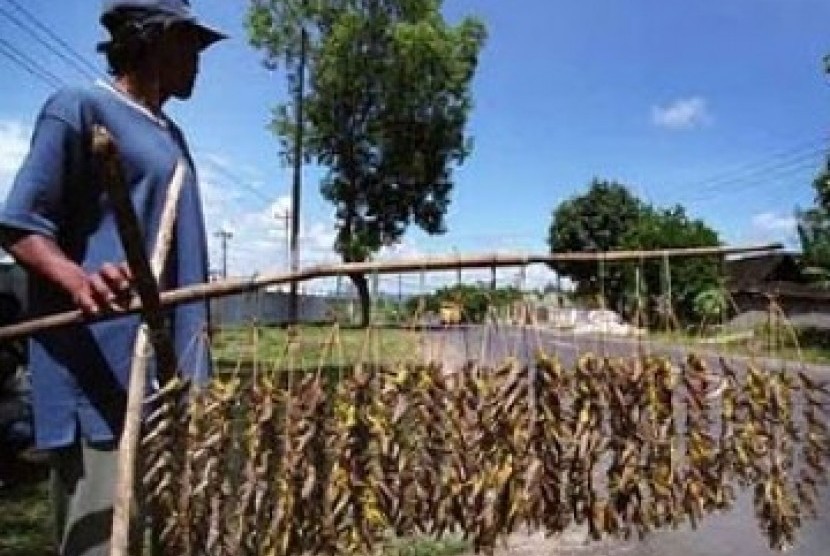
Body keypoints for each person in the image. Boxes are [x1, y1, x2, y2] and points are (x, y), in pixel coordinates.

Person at [0, 1, 225, 554]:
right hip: (102, 377)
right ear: (153, 40)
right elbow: (20, 223)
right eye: (190, 44)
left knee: (166, 534)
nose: (199, 61)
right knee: (103, 541)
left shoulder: (171, 134)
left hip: (166, 381)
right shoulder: (79, 107)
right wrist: (77, 280)